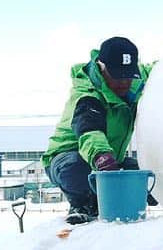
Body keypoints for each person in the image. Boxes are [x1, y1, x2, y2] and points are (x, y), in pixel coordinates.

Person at [43, 37, 154, 225]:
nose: (124, 82)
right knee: (78, 170)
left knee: (145, 174)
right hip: (69, 158)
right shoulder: (87, 94)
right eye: (117, 76)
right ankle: (83, 205)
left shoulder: (137, 81)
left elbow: (161, 70)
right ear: (102, 68)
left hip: (110, 159)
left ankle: (112, 199)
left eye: (128, 76)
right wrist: (102, 157)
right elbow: (90, 132)